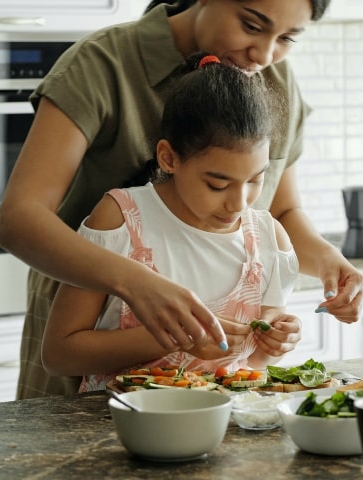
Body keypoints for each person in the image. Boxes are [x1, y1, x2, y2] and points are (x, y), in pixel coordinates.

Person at [0, 0, 363, 399]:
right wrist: (137, 282)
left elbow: (279, 212)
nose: (263, 54)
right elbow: (20, 218)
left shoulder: (273, 78)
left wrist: (331, 262)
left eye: (287, 38)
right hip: (87, 344)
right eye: (250, 24)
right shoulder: (103, 64)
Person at [41, 53, 298, 391]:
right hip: (119, 428)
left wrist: (275, 342)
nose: (239, 202)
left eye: (255, 180)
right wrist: (173, 339)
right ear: (169, 157)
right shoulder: (121, 220)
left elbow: (255, 365)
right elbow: (59, 354)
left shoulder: (268, 239)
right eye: (217, 184)